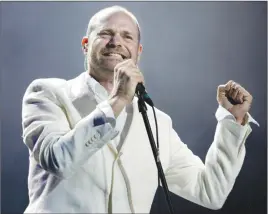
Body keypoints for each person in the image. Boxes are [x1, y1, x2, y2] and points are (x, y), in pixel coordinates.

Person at [21, 5, 259, 214]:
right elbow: (58, 160)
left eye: (127, 37)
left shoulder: (158, 122)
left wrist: (232, 120)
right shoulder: (48, 93)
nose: (116, 42)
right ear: (85, 45)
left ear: (138, 52)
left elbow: (210, 191)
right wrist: (118, 100)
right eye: (105, 33)